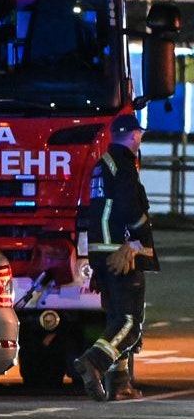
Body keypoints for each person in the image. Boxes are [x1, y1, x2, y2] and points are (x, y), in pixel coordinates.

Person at [74, 113, 156, 402]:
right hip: (123, 253)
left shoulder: (101, 165)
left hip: (102, 253)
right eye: (139, 134)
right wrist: (135, 240)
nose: (140, 138)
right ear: (133, 135)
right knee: (129, 324)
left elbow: (95, 212)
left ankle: (120, 384)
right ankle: (93, 362)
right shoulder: (123, 165)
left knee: (115, 320)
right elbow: (129, 209)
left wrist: (96, 264)